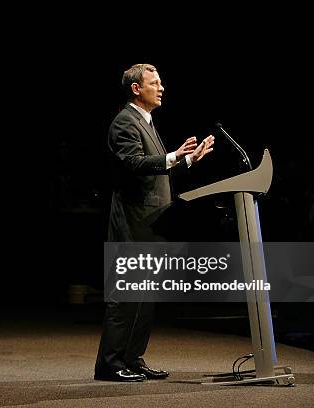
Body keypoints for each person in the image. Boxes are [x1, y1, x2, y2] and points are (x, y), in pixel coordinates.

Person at [95, 64, 215, 382]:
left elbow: (156, 170)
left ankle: (132, 358)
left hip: (153, 221)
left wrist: (188, 159)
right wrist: (174, 156)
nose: (161, 88)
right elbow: (132, 163)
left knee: (145, 297)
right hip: (133, 221)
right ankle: (110, 363)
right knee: (127, 295)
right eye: (155, 82)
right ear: (137, 88)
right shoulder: (125, 121)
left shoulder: (146, 122)